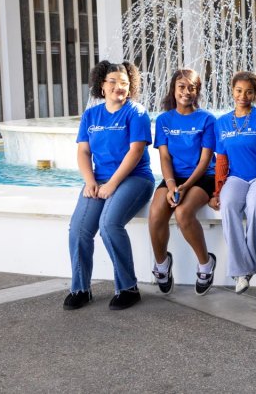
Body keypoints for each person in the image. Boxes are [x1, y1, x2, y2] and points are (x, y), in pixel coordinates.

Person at [63, 61, 155, 311]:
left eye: (124, 83)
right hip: (99, 180)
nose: (118, 87)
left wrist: (112, 184)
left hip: (134, 179)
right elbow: (83, 152)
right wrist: (90, 181)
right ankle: (80, 289)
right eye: (113, 82)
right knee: (78, 230)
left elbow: (136, 152)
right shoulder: (91, 115)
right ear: (101, 86)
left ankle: (128, 287)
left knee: (108, 225)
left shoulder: (136, 112)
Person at [209, 71, 256, 294]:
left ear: (255, 94)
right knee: (229, 204)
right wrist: (217, 191)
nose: (243, 95)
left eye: (249, 91)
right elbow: (221, 162)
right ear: (232, 91)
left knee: (255, 204)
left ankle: (245, 269)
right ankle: (242, 271)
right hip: (236, 177)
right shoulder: (222, 123)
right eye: (239, 91)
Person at [148, 68, 217, 296]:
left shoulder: (207, 119)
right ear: (173, 89)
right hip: (174, 178)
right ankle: (161, 264)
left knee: (183, 213)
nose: (186, 92)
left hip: (202, 175)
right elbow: (165, 157)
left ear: (197, 91)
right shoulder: (164, 120)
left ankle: (205, 264)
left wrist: (185, 187)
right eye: (181, 87)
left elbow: (206, 159)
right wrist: (170, 185)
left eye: (192, 87)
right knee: (156, 212)